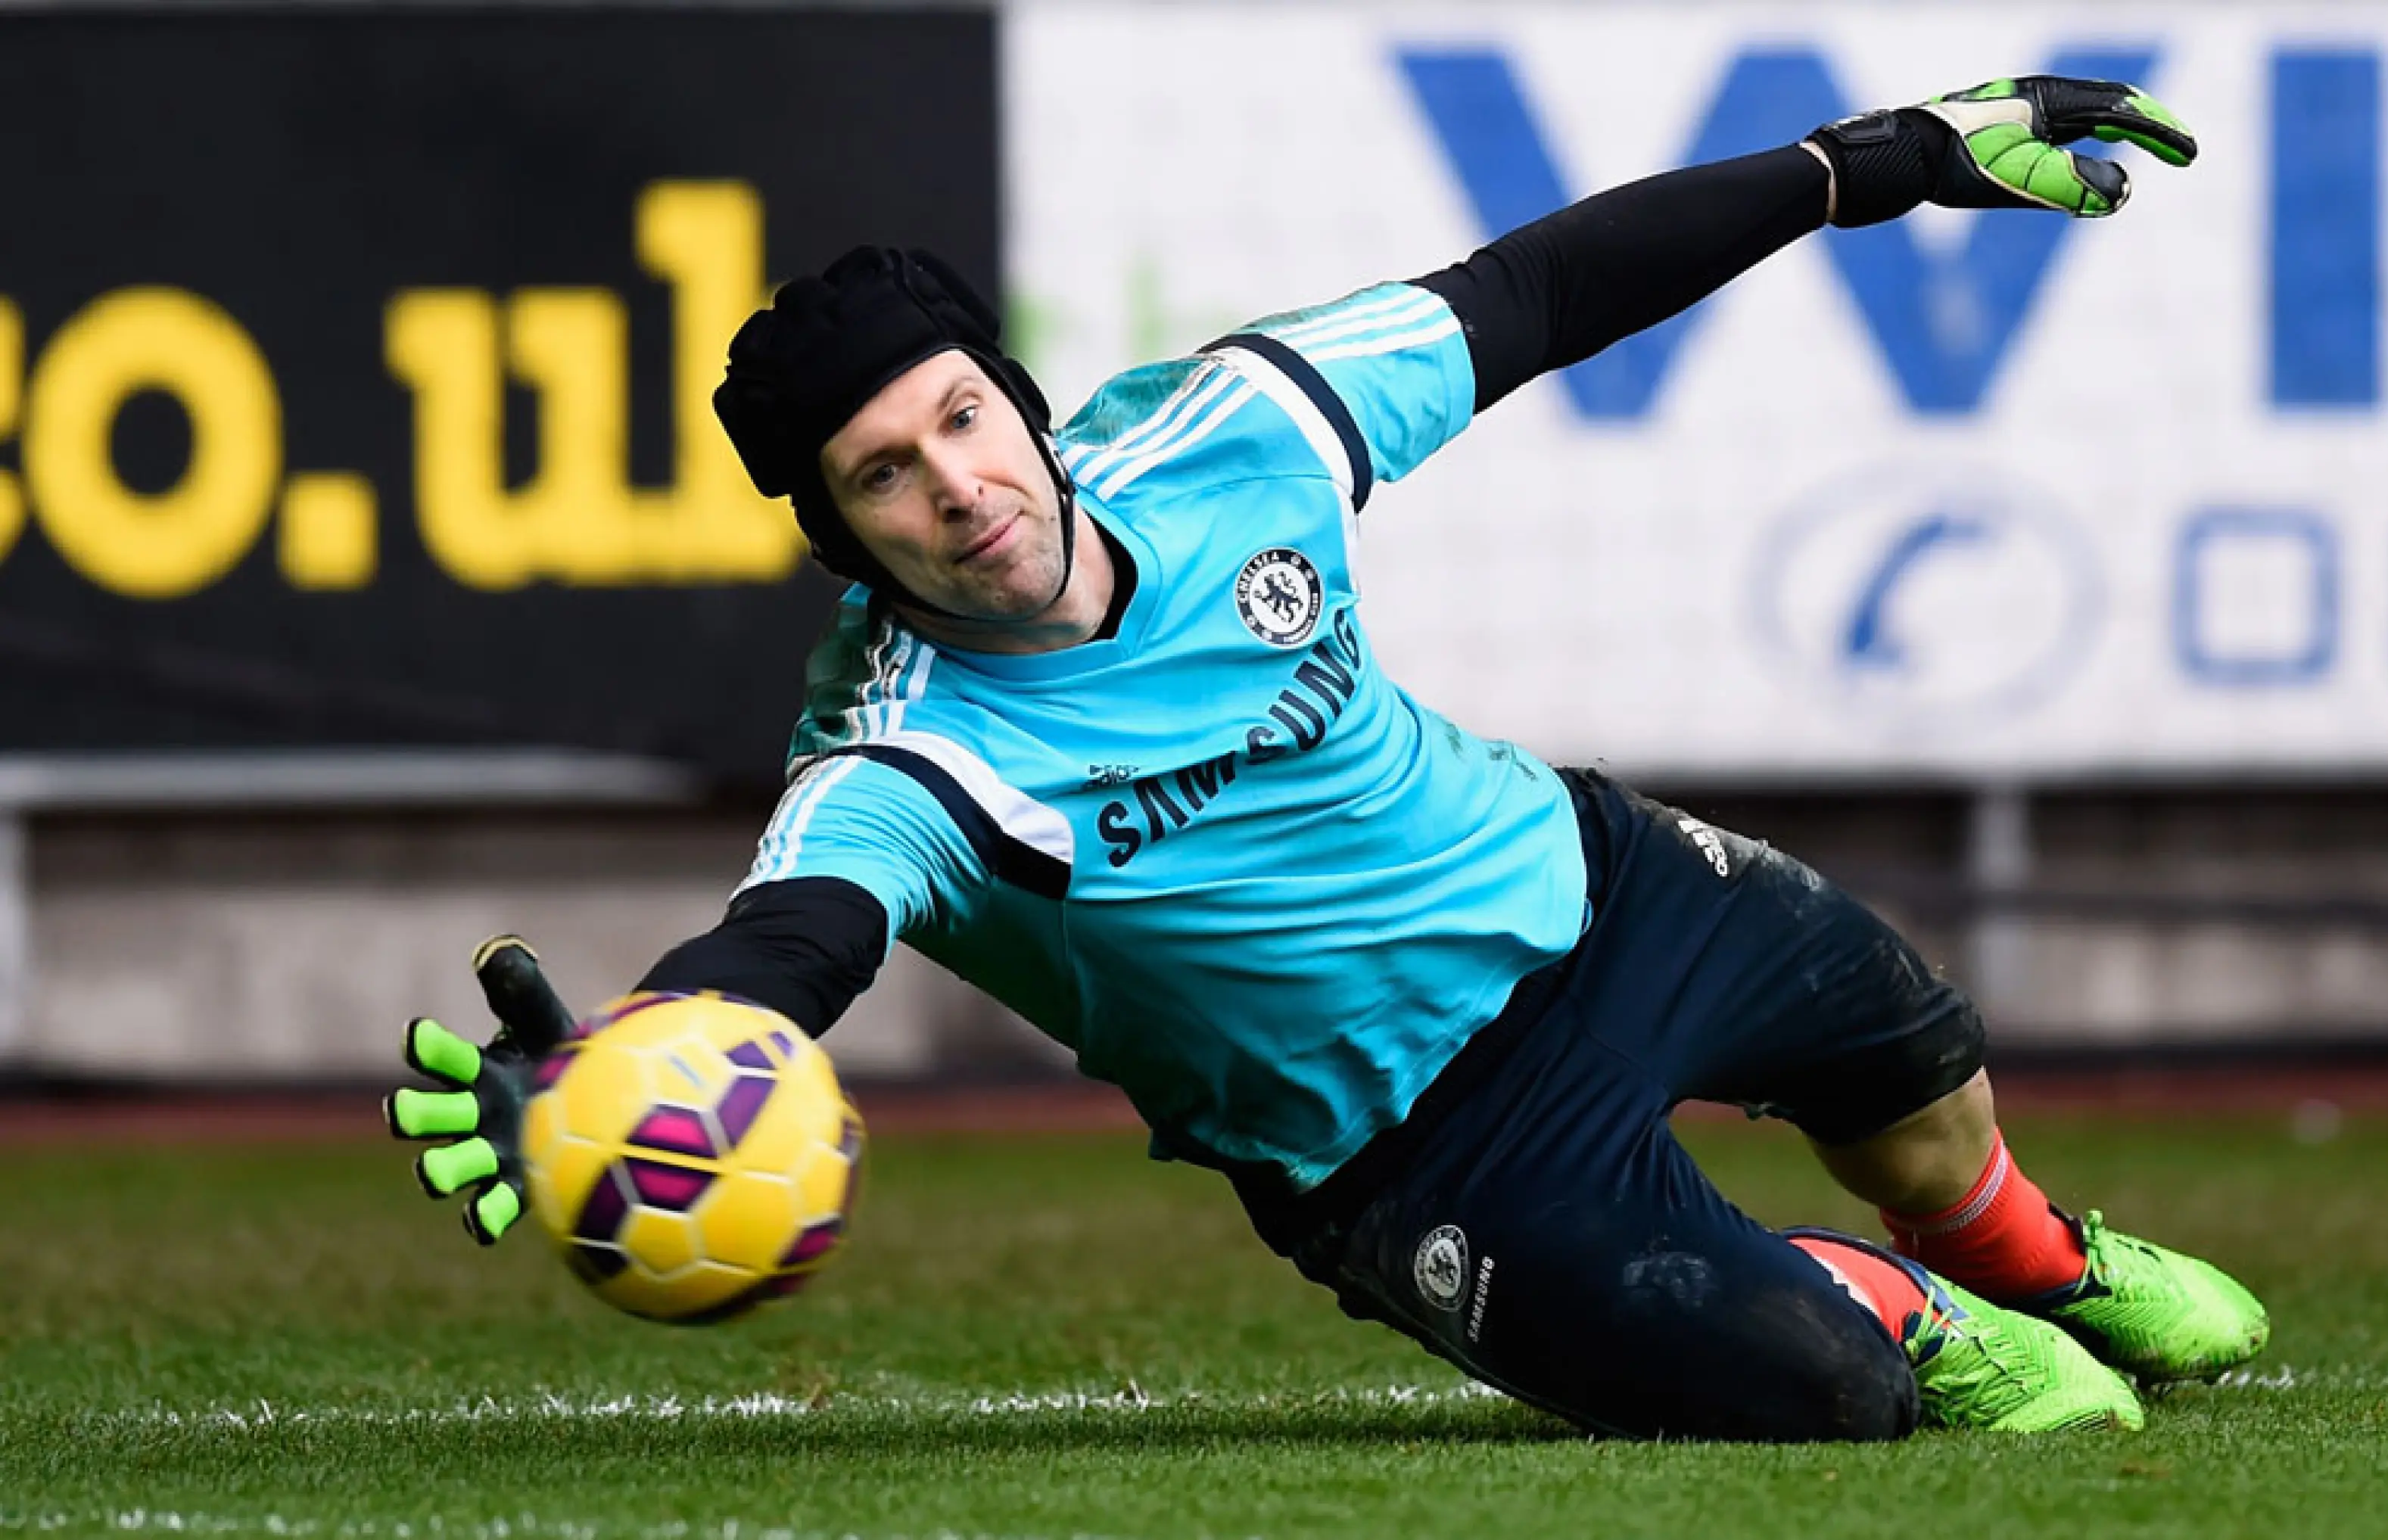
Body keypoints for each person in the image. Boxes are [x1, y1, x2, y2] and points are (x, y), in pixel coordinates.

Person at [386, 75, 2263, 1440]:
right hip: (1425, 1147)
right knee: (1817, 1393)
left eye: (962, 418)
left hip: (1585, 892)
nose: (957, 487)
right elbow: (792, 944)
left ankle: (2035, 1255)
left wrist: (1867, 164)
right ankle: (1916, 1315)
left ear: (1020, 402)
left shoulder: (1239, 426)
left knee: (1908, 1041)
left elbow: (1538, 293)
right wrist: (636, 1057)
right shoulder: (908, 759)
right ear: (842, 538)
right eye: (885, 474)